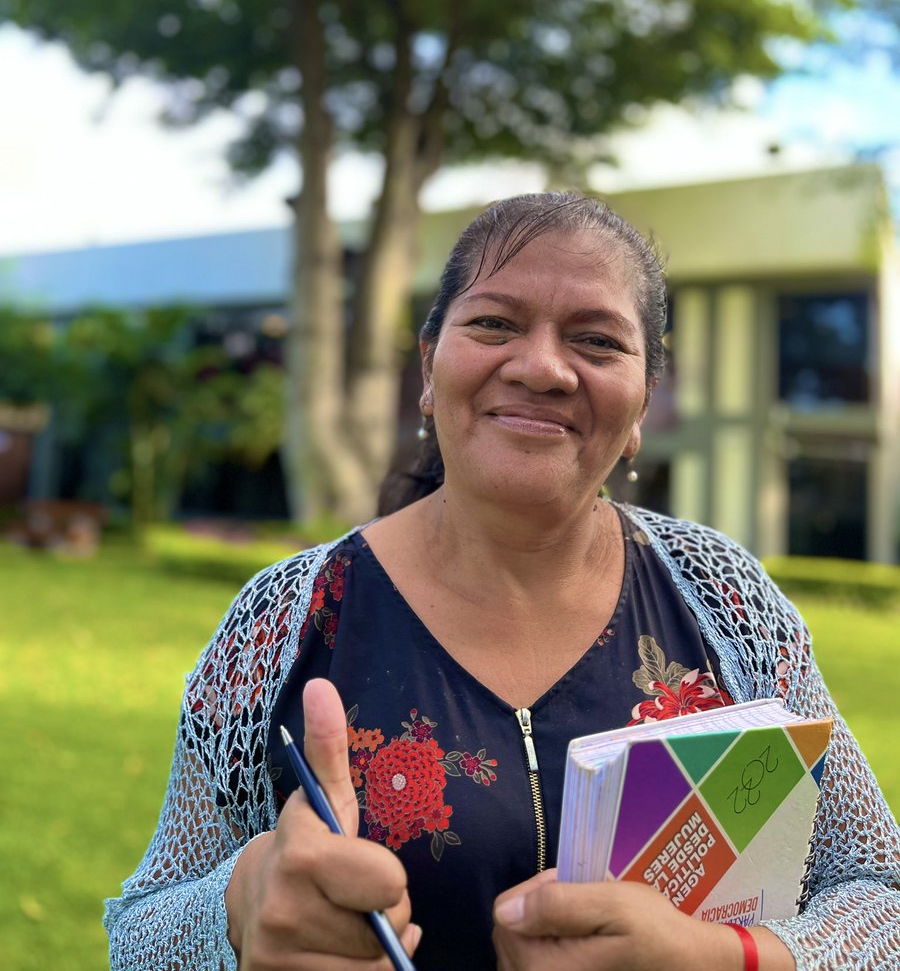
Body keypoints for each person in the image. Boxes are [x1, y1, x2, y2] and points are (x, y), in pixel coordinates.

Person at [105, 192, 900, 971]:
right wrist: (240, 908)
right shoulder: (282, 621)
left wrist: (721, 959)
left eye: (596, 341)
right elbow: (138, 931)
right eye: (493, 324)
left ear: (642, 405)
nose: (543, 367)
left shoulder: (728, 601)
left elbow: (880, 890)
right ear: (428, 366)